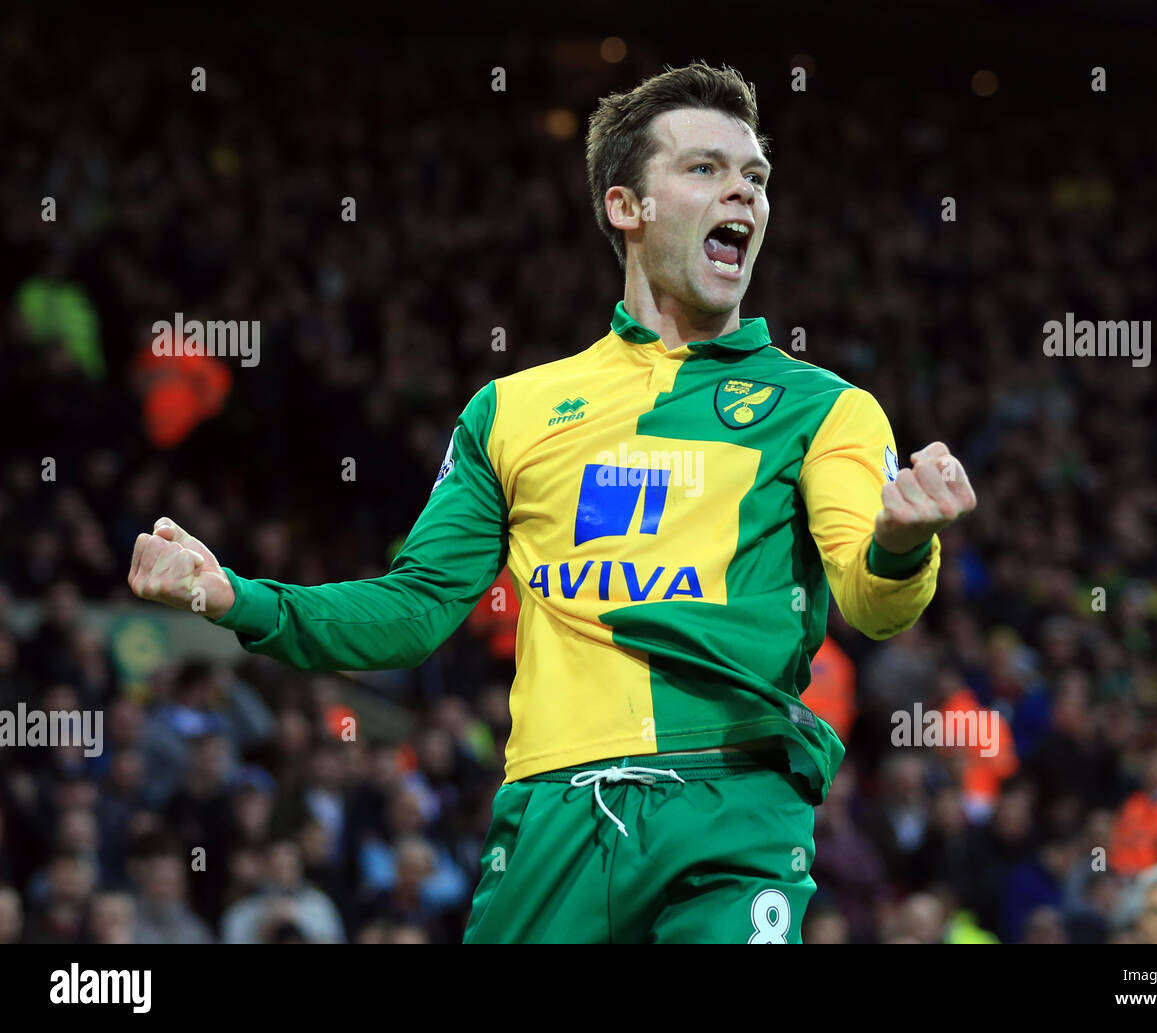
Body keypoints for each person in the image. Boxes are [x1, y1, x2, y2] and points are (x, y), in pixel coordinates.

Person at [127, 62, 977, 943]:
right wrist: (236, 595)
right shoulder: (512, 412)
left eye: (755, 177)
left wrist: (902, 542)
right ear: (626, 207)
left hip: (732, 809)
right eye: (706, 169)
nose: (744, 193)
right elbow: (414, 610)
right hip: (552, 819)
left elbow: (875, 605)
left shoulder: (824, 408)